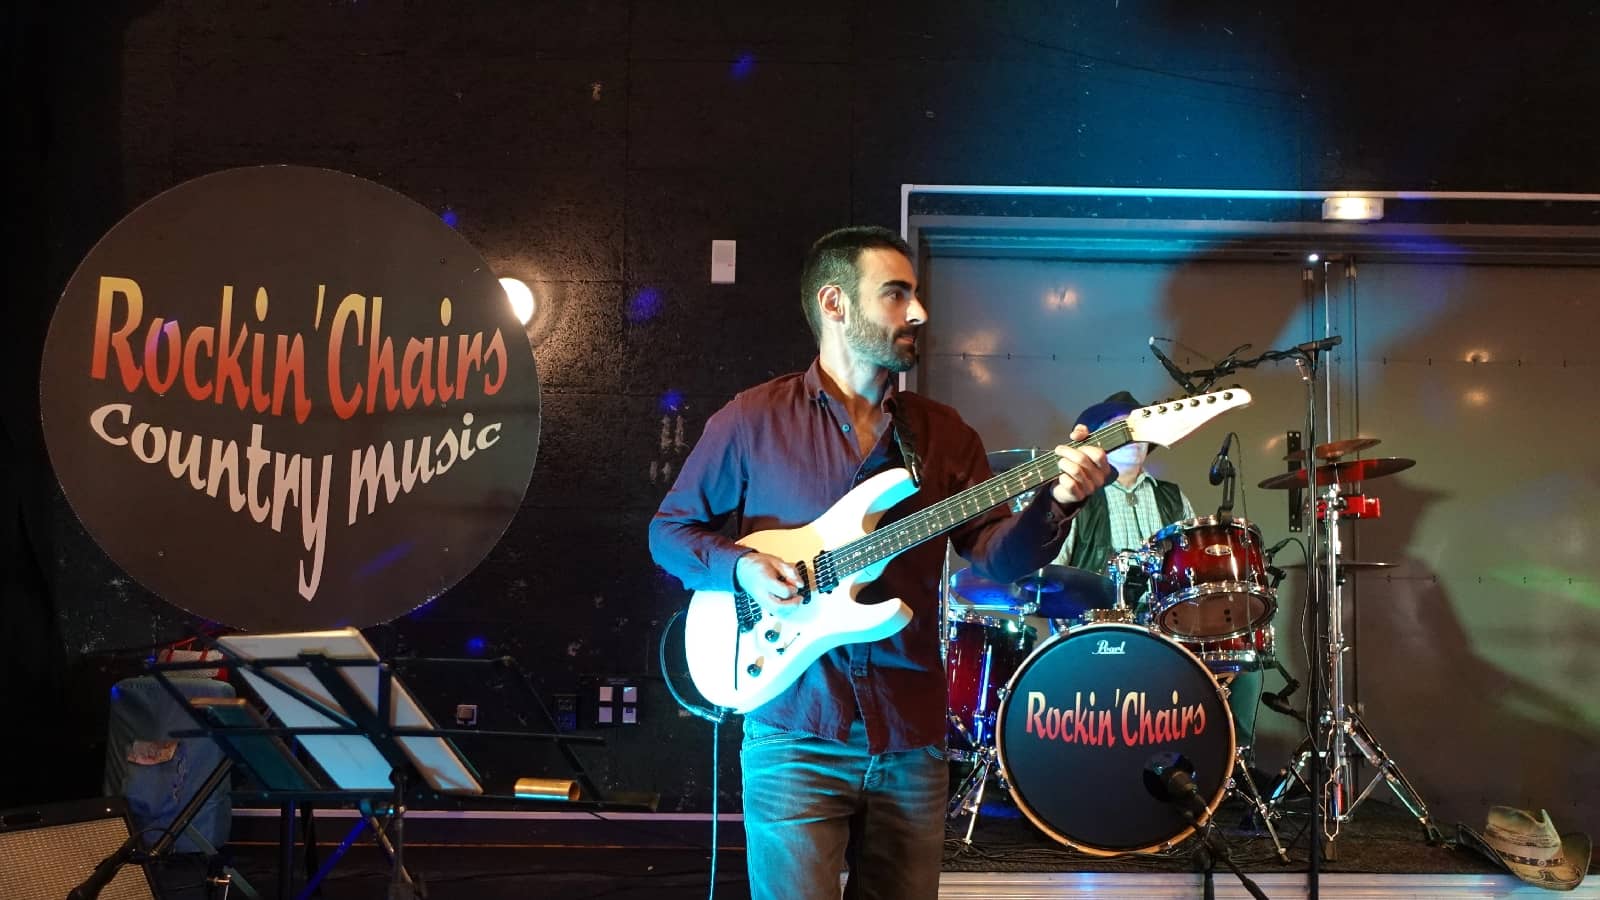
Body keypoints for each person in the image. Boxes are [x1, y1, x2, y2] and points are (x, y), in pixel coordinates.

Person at [649, 225, 1112, 900]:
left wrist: (1058, 501)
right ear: (835, 303)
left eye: (915, 294)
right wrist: (742, 567)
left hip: (911, 735)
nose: (918, 313)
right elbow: (670, 533)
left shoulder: (943, 432)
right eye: (896, 295)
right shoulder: (750, 420)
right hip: (795, 728)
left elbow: (996, 558)